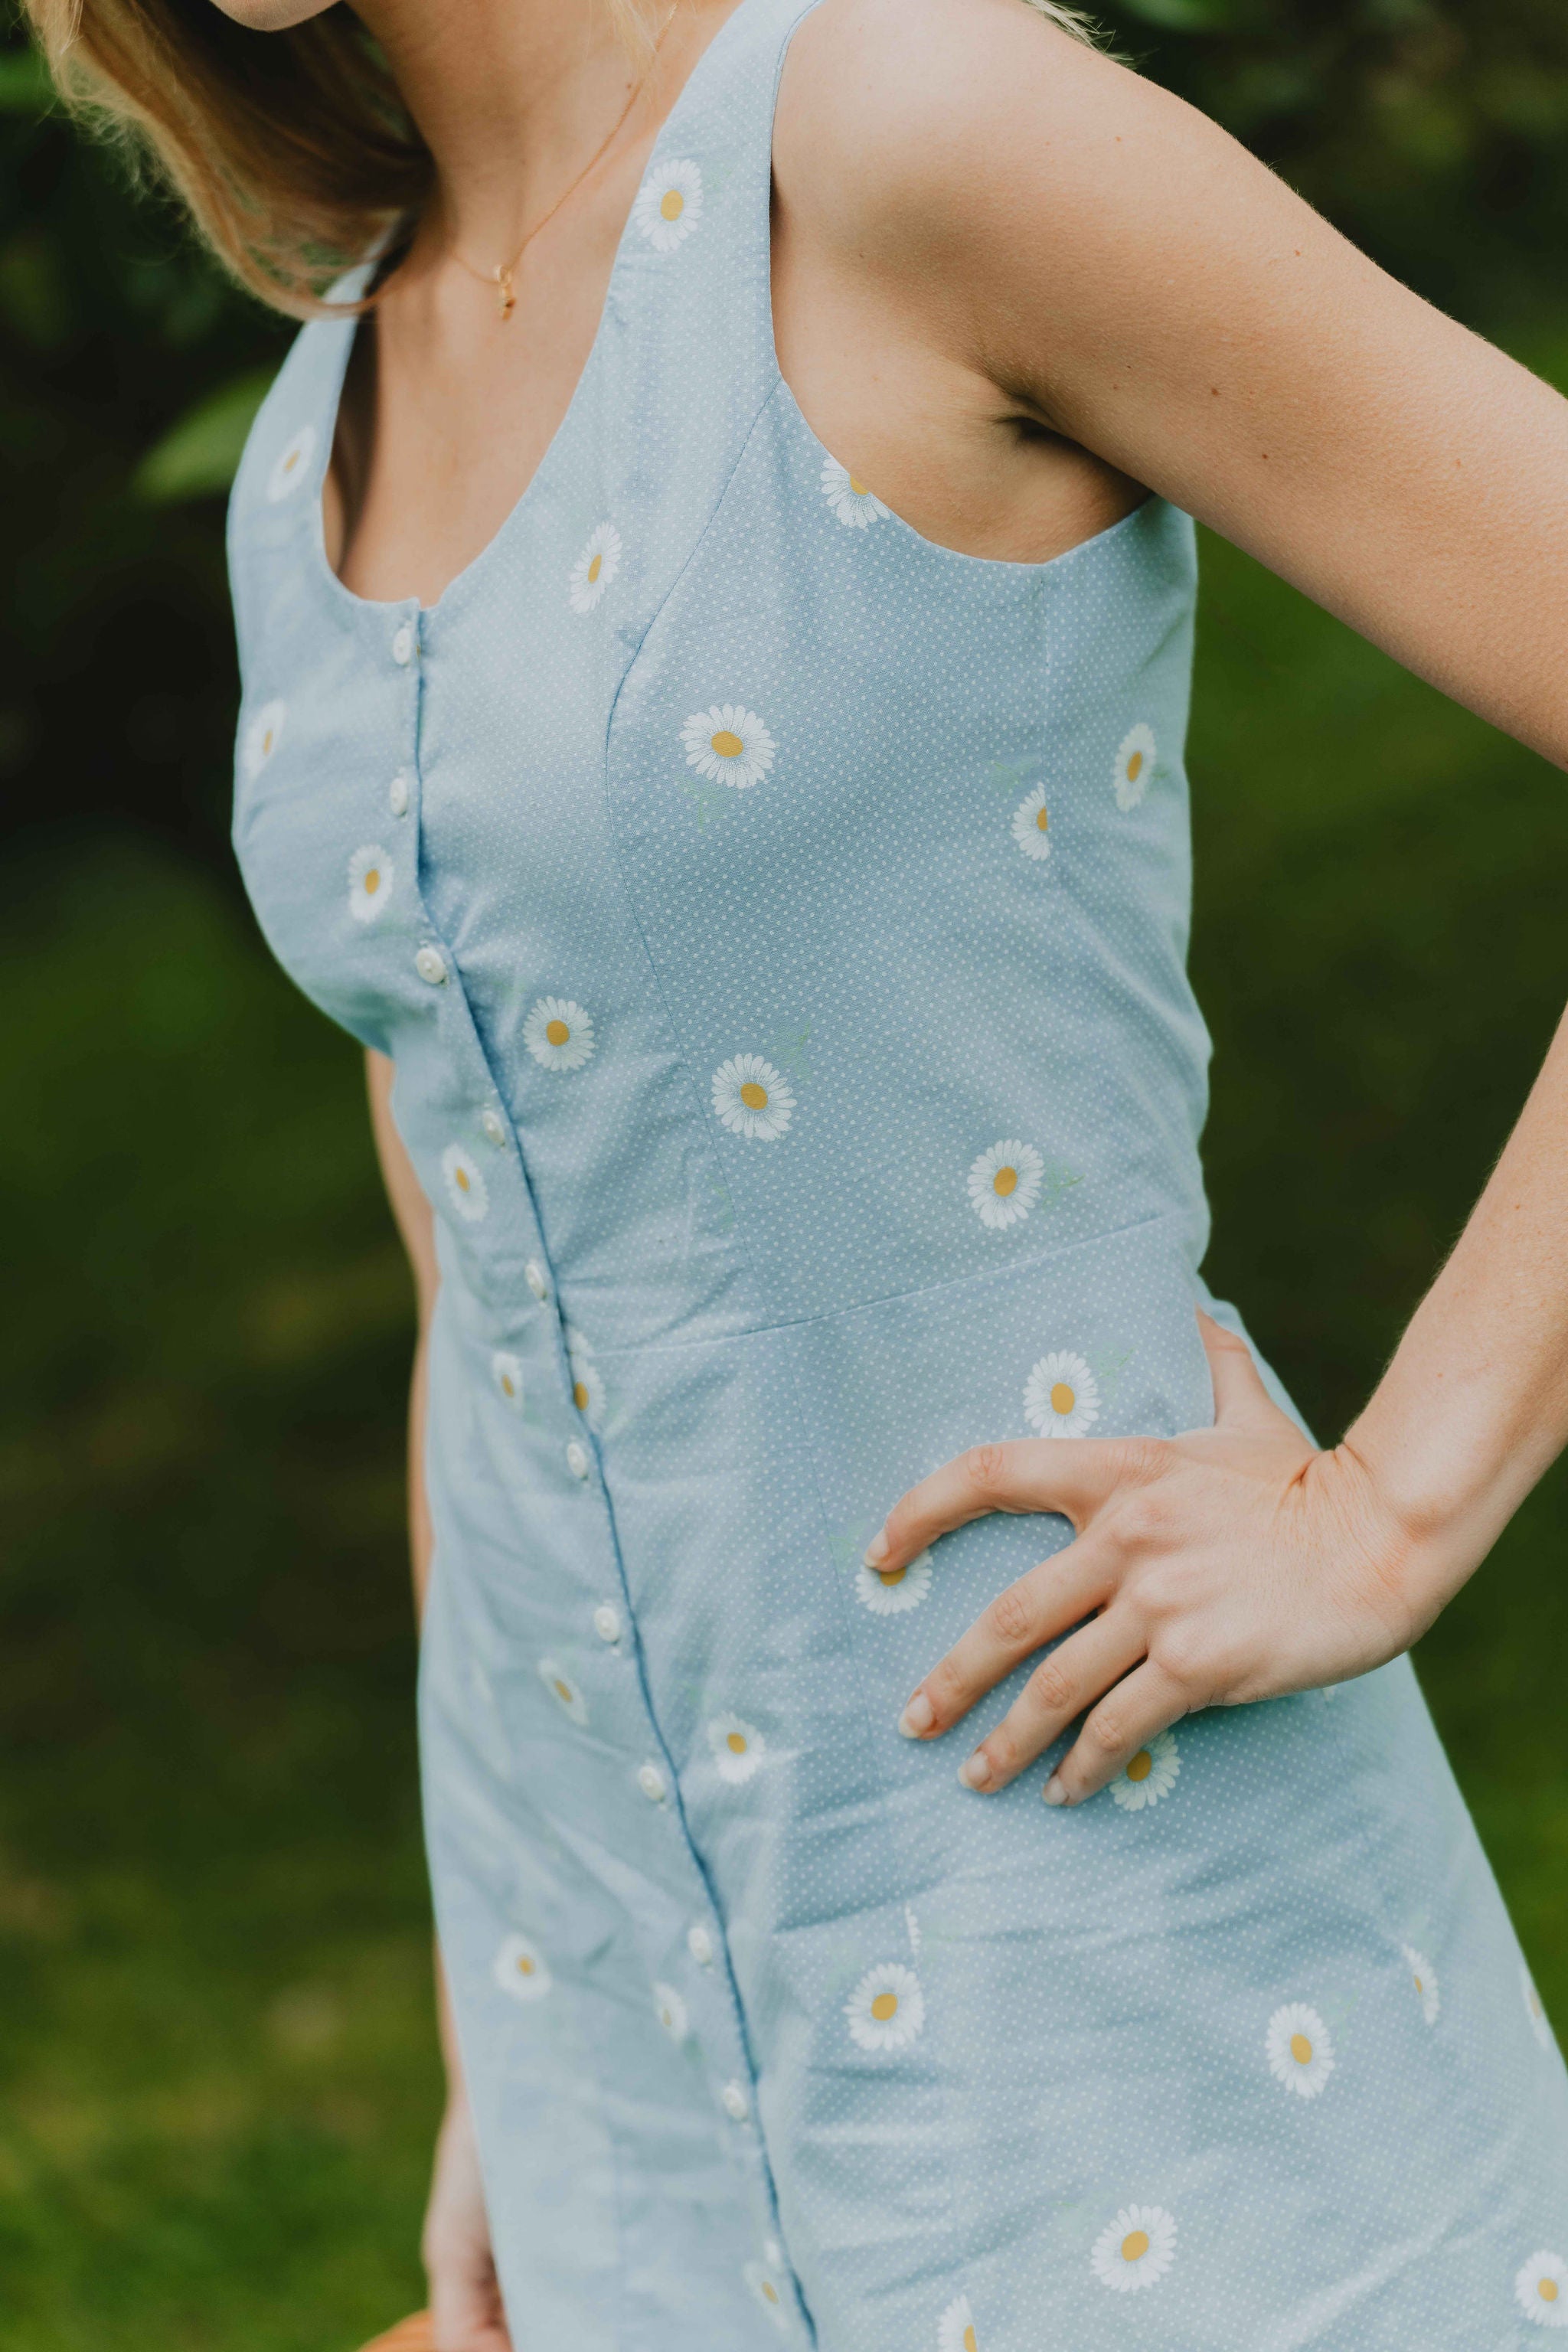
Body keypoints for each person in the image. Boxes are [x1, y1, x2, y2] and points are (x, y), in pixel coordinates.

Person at [28, 0, 1568, 2334]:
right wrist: (506, 2023)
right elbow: (484, 1289)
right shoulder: (317, 421)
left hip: (1125, 1974)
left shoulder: (907, 137)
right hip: (618, 2075)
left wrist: (1398, 1504)